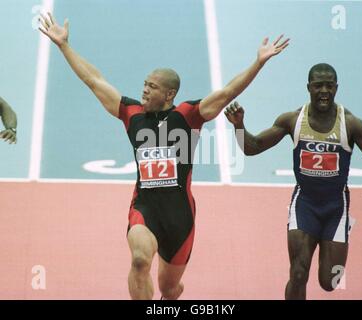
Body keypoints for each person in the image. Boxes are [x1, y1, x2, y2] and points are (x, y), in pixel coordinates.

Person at [38, 12, 289, 299]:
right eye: (145, 84)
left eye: (152, 87)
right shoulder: (131, 114)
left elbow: (228, 91)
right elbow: (95, 81)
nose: (144, 90)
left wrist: (258, 63)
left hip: (180, 218)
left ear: (169, 94)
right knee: (140, 260)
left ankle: (171, 292)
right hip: (145, 209)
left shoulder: (188, 116)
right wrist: (64, 46)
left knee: (169, 289)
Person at [225, 63, 362, 300]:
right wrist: (239, 127)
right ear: (308, 87)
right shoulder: (292, 120)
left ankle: (332, 237)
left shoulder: (350, 123)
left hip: (336, 207)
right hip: (305, 204)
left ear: (336, 88)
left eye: (329, 86)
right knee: (298, 273)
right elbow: (252, 147)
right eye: (318, 85)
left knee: (330, 282)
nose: (324, 91)